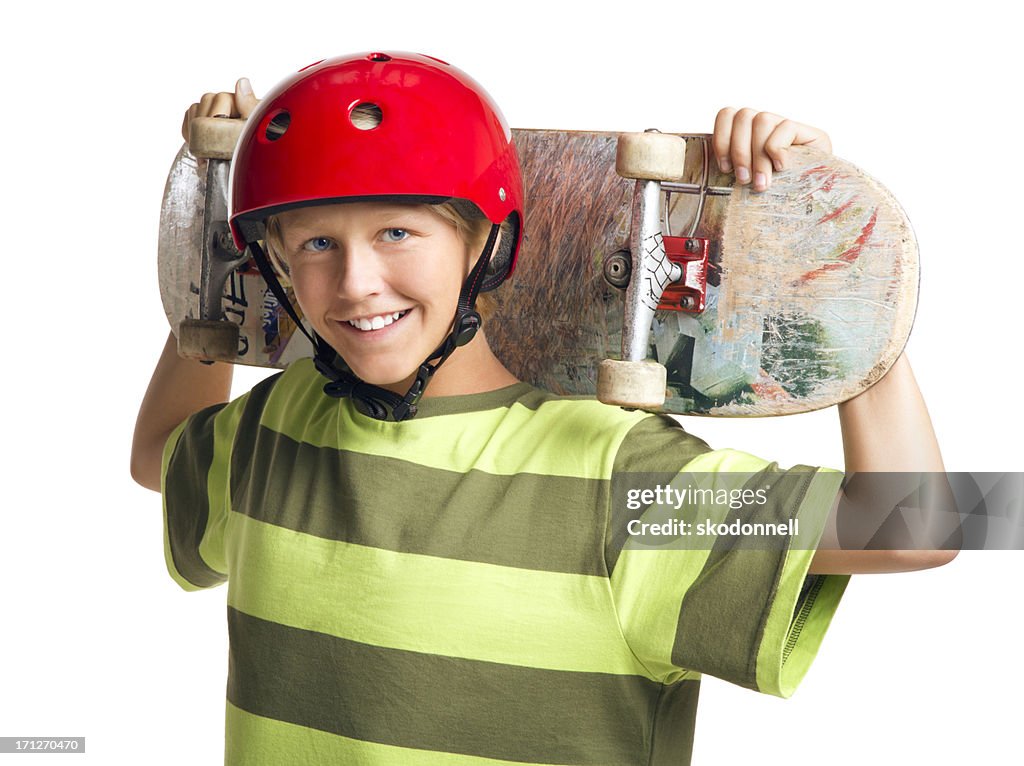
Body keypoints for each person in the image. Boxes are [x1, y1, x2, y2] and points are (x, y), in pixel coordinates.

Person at [131, 52, 953, 765]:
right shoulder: (275, 429)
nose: (355, 283)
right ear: (272, 263)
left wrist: (839, 263)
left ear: (486, 243)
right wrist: (218, 219)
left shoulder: (615, 481)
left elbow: (923, 526)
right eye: (315, 243)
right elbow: (159, 456)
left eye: (396, 233)